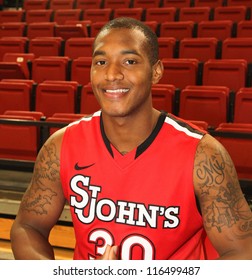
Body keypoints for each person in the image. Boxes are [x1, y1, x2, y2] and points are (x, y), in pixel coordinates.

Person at [10, 17, 252, 260]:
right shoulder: (61, 146)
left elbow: (242, 252)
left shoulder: (203, 155)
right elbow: (27, 227)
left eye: (129, 61)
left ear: (155, 71)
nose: (112, 74)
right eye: (101, 62)